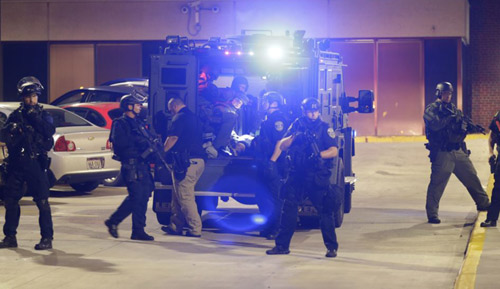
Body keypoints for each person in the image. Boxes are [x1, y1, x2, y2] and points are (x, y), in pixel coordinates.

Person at [266, 98, 339, 258]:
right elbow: (283, 145)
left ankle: (331, 247)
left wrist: (319, 155)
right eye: (309, 111)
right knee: (289, 210)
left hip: (316, 176)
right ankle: (282, 246)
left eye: (315, 111)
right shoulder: (297, 125)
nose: (313, 114)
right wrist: (295, 137)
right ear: (304, 111)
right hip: (297, 175)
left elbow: (334, 150)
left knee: (325, 212)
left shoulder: (324, 128)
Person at [0, 76, 55, 250]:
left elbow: (49, 133)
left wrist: (35, 120)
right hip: (17, 163)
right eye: (28, 96)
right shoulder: (16, 115)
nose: (32, 100)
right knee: (11, 200)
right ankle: (10, 236)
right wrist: (11, 130)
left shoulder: (44, 115)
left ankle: (47, 238)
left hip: (35, 163)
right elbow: (3, 136)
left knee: (42, 201)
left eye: (34, 96)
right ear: (22, 97)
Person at [423, 82, 490, 224]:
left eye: (450, 93)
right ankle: (432, 214)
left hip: (458, 151)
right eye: (445, 93)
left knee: (471, 177)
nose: (448, 96)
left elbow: (461, 125)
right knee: (437, 184)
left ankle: (483, 203)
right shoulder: (432, 109)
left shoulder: (453, 110)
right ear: (439, 94)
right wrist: (450, 119)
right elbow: (434, 125)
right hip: (442, 153)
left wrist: (470, 126)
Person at [104, 91, 155, 241]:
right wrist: (138, 142)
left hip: (142, 165)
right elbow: (120, 145)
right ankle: (113, 220)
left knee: (144, 196)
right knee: (135, 196)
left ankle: (138, 230)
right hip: (131, 165)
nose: (140, 107)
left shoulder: (138, 122)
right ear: (129, 106)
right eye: (137, 104)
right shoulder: (120, 123)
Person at [161, 97, 206, 237]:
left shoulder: (179, 118)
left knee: (185, 196)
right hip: (198, 161)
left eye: (170, 110)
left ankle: (195, 229)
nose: (171, 113)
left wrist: (162, 152)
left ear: (174, 107)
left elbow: (173, 138)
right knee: (177, 195)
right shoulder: (195, 118)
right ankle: (175, 226)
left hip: (186, 162)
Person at [254, 92, 290, 239]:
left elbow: (279, 143)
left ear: (273, 103)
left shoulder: (278, 120)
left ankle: (276, 228)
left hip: (274, 164)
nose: (263, 104)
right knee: (263, 196)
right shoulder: (267, 120)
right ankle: (268, 226)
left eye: (265, 102)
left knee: (275, 198)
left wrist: (272, 161)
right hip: (265, 162)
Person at [481, 110, 500, 227]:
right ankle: (492, 218)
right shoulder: (498, 117)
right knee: (498, 188)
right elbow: (492, 136)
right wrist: (490, 152)